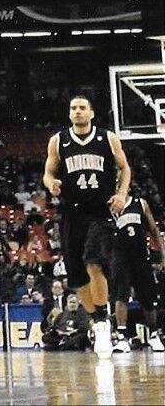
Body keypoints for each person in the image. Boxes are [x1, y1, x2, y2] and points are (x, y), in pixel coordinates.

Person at [43, 94, 131, 359]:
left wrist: (122, 194)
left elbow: (125, 168)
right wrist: (51, 184)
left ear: (92, 112)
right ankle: (96, 318)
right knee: (77, 276)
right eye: (73, 108)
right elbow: (48, 172)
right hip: (72, 212)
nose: (77, 111)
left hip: (100, 211)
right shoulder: (58, 141)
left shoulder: (108, 138)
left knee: (94, 261)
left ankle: (103, 322)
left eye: (82, 108)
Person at [108, 191, 163, 353]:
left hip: (140, 254)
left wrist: (162, 253)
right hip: (119, 255)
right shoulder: (108, 205)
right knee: (121, 295)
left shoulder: (140, 203)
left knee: (148, 297)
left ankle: (153, 334)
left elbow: (153, 228)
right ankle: (122, 337)